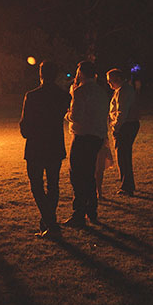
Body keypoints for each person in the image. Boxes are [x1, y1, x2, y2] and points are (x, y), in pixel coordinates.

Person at [19, 61, 70, 237]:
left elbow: (25, 125)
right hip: (55, 145)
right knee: (53, 185)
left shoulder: (32, 96)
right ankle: (48, 220)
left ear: (40, 74)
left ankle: (50, 223)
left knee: (36, 185)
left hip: (36, 147)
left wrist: (27, 131)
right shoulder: (64, 96)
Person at [63, 60, 110, 227]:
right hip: (97, 136)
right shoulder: (101, 91)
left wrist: (67, 115)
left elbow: (76, 116)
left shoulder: (81, 91)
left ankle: (79, 212)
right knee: (89, 173)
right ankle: (91, 209)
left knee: (76, 174)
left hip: (83, 136)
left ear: (81, 73)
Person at [107, 68, 140, 195]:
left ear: (118, 79)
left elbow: (122, 112)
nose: (109, 84)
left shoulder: (123, 91)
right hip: (127, 124)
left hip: (126, 125)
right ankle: (127, 183)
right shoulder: (121, 90)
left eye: (111, 81)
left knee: (123, 155)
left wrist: (116, 127)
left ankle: (127, 185)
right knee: (123, 155)